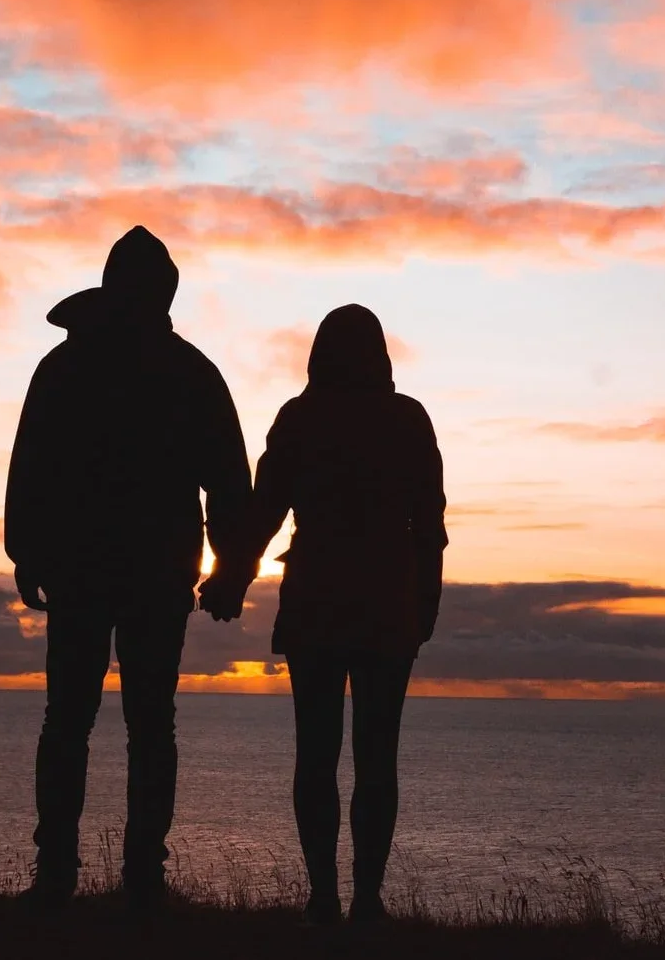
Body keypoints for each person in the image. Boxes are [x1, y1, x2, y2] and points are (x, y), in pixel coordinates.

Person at [5, 225, 254, 910]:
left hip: (96, 566)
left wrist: (26, 547)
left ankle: (68, 872)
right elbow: (229, 481)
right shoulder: (187, 370)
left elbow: (31, 464)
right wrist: (230, 568)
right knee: (142, 724)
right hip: (146, 568)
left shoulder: (68, 367)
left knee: (74, 721)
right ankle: (132, 873)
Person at [201, 303, 446, 925]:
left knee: (316, 754)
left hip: (317, 601)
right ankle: (364, 900)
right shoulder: (408, 419)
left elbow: (263, 514)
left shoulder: (300, 417)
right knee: (376, 757)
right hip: (389, 605)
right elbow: (430, 528)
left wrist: (230, 579)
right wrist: (425, 606)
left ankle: (325, 897)